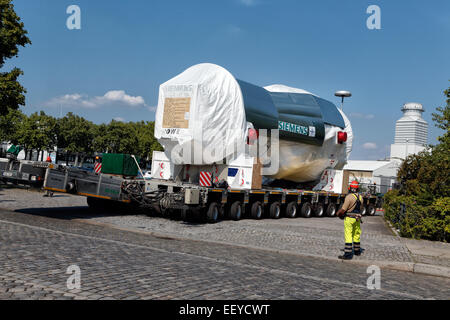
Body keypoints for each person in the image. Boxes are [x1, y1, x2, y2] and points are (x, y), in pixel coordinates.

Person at [336, 180, 363, 260]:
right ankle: (357, 251)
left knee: (348, 235)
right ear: (357, 188)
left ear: (350, 188)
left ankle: (347, 254)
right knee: (356, 235)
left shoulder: (349, 197)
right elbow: (361, 208)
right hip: (357, 218)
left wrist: (338, 213)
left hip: (349, 218)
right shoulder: (361, 197)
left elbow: (343, 209)